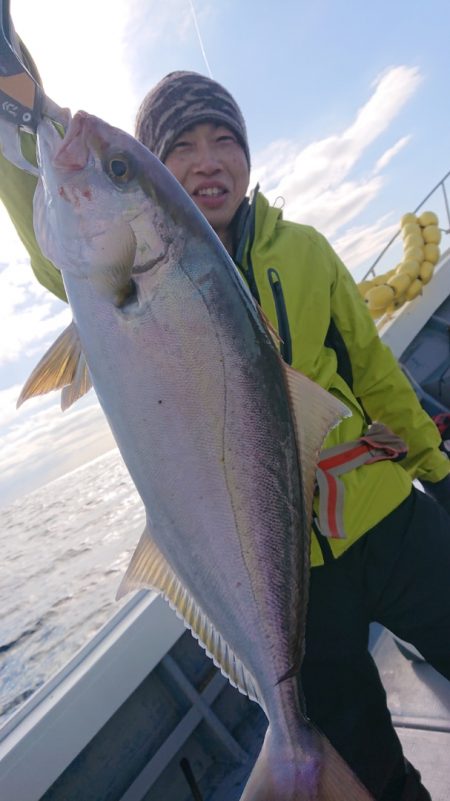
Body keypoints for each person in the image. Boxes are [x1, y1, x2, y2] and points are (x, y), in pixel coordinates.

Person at [1, 68, 450, 800]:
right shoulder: (95, 273)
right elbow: (39, 184)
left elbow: (374, 373)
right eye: (180, 146)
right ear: (160, 177)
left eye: (224, 139)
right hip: (293, 581)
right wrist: (14, 91)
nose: (209, 159)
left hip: (384, 514)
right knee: (372, 770)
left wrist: (438, 469)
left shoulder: (301, 248)